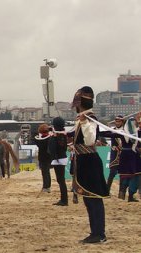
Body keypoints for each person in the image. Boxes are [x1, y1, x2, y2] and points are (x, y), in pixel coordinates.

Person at [69, 86, 109, 244]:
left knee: (94, 198)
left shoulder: (89, 118)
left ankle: (99, 233)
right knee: (88, 198)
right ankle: (95, 231)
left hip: (90, 160)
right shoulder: (83, 117)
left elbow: (90, 140)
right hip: (83, 160)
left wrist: (85, 123)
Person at [48, 117, 69, 206]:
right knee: (60, 179)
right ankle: (64, 199)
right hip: (61, 158)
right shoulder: (63, 134)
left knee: (61, 180)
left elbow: (52, 148)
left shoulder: (57, 136)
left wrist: (52, 137)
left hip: (58, 159)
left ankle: (64, 200)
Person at [34, 123, 52, 193]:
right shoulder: (50, 138)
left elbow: (35, 136)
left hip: (42, 157)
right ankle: (48, 186)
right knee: (47, 172)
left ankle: (46, 186)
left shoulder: (38, 139)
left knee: (44, 173)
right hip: (49, 157)